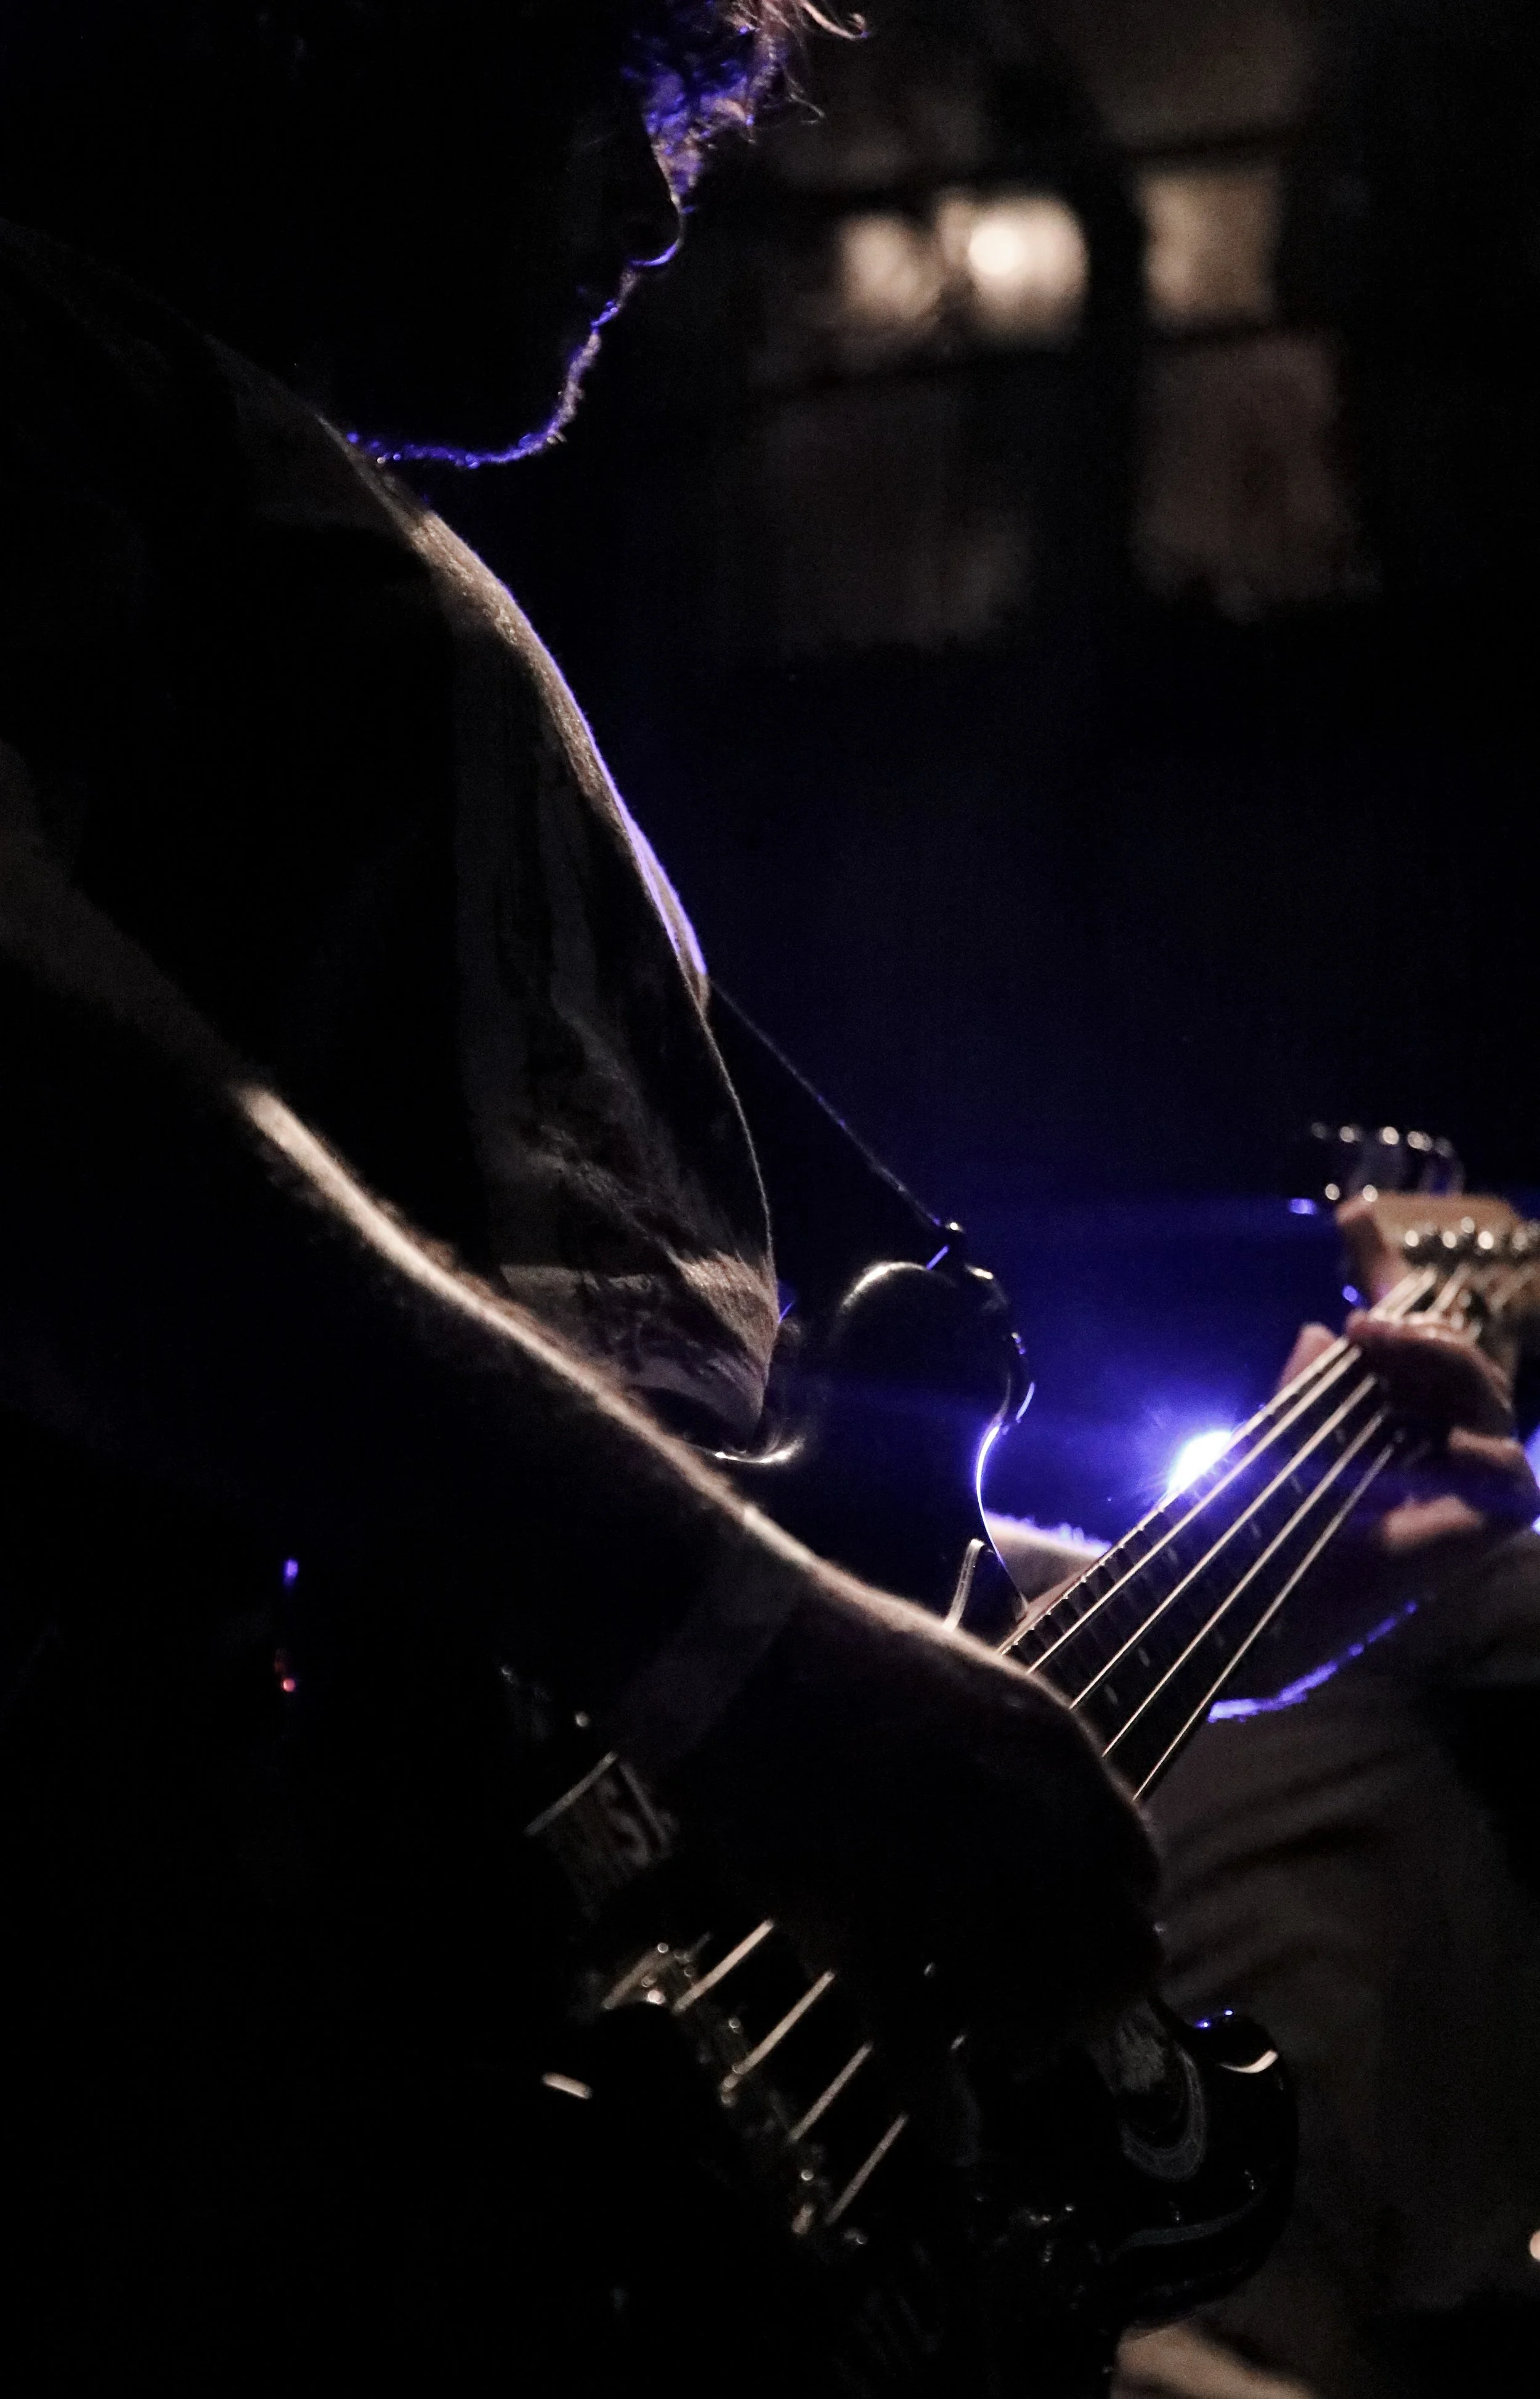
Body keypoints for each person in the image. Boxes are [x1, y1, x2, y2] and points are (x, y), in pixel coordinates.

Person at [0, 4, 1532, 2387]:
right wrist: (746, 1652)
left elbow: (648, 1443)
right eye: (629, 79)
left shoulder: (351, 556)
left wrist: (1188, 1592)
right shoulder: (50, 370)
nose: (666, 195)